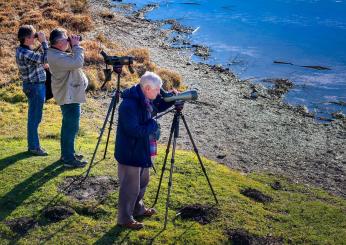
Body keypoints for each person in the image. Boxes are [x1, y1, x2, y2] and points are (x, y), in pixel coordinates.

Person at [115, 71, 175, 230]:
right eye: (157, 90)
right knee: (130, 187)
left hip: (142, 149)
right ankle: (124, 219)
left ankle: (138, 208)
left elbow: (158, 105)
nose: (159, 93)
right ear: (147, 88)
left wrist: (173, 100)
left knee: (143, 182)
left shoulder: (145, 98)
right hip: (130, 152)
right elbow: (132, 130)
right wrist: (152, 126)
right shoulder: (129, 105)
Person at [47, 28, 88, 168]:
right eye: (66, 39)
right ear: (58, 42)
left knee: (70, 126)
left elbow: (73, 60)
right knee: (71, 127)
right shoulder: (56, 56)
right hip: (68, 97)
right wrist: (76, 46)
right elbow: (77, 62)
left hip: (69, 95)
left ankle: (68, 153)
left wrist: (72, 46)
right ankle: (68, 158)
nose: (68, 40)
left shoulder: (57, 53)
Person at [16, 25, 48, 156]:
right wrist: (44, 42)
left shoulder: (23, 49)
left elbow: (38, 59)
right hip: (35, 87)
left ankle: (32, 146)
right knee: (35, 118)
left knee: (33, 118)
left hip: (33, 86)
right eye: (33, 36)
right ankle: (34, 147)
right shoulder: (25, 53)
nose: (35, 38)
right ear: (27, 38)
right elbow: (45, 59)